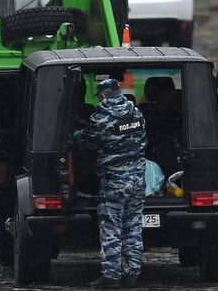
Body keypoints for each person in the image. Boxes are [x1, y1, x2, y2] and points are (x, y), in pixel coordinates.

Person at [71, 78, 147, 289]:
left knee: (111, 228)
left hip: (114, 180)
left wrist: (76, 135)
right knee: (133, 227)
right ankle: (132, 273)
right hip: (138, 178)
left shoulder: (101, 119)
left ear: (103, 95)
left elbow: (87, 144)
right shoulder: (137, 114)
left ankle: (111, 276)